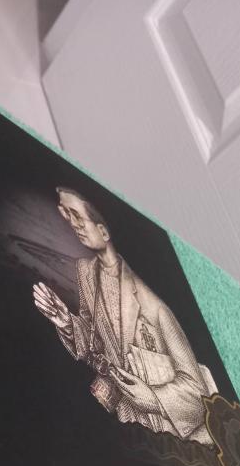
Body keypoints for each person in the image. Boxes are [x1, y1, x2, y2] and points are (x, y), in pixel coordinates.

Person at [32, 187, 217, 445]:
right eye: (67, 216)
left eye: (78, 217)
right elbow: (95, 341)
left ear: (104, 231)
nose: (74, 225)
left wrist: (153, 399)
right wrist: (66, 321)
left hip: (168, 431)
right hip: (125, 421)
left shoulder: (154, 305)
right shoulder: (86, 273)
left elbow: (197, 392)